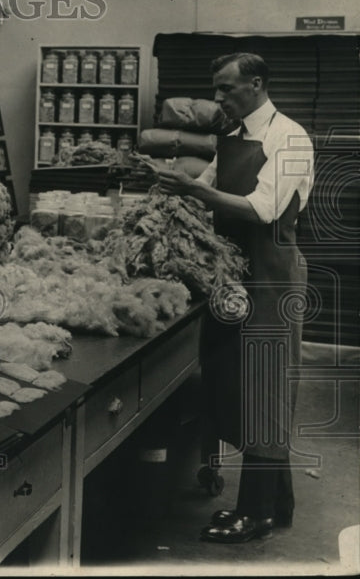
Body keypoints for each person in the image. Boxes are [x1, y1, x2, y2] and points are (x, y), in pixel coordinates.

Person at [156, 52, 314, 544]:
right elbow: (204, 187)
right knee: (238, 386)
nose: (218, 98)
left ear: (257, 84)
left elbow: (263, 209)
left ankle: (256, 513)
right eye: (216, 89)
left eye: (226, 88)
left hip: (271, 276)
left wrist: (195, 191)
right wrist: (172, 190)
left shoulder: (289, 137)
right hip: (234, 275)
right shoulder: (231, 137)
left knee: (266, 388)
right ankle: (278, 503)